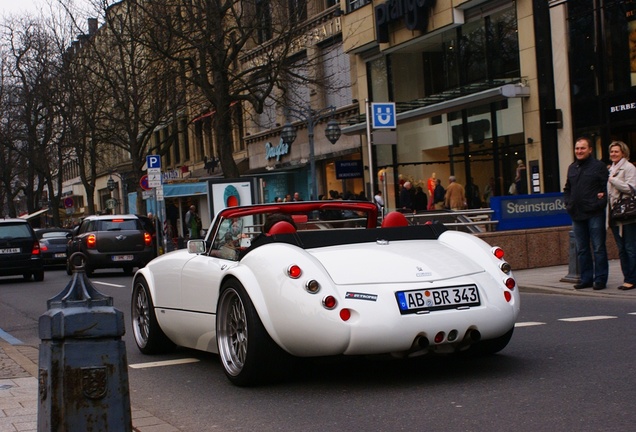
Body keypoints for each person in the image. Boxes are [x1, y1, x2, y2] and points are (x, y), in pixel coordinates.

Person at [563, 137, 608, 290]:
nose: (579, 151)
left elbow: (605, 188)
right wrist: (568, 204)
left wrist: (599, 203)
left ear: (590, 149)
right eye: (577, 148)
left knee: (598, 248)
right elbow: (567, 188)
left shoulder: (599, 166)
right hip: (577, 214)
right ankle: (586, 279)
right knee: (582, 249)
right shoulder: (572, 167)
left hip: (595, 213)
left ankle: (600, 279)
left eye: (582, 148)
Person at [607, 141, 636, 291]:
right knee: (622, 249)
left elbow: (631, 189)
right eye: (612, 152)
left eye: (616, 152)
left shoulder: (629, 168)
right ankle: (628, 277)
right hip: (615, 215)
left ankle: (631, 279)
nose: (613, 154)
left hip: (628, 215)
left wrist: (613, 180)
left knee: (630, 248)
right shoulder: (611, 169)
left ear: (623, 153)